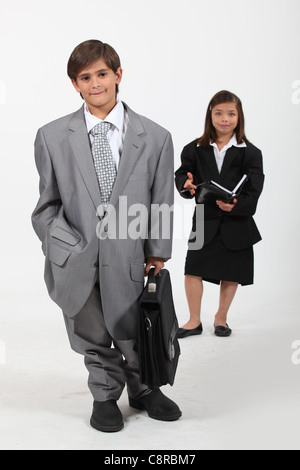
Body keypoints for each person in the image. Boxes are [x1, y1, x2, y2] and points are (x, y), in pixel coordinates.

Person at [32, 39, 181, 432]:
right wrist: (64, 247)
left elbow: (161, 201)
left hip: (130, 255)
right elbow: (46, 207)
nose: (95, 83)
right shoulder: (51, 137)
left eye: (102, 73)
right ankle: (104, 394)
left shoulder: (155, 137)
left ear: (118, 75)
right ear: (74, 84)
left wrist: (158, 253)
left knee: (133, 327)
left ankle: (145, 388)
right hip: (75, 257)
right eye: (86, 77)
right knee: (92, 333)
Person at [175, 90, 264, 338]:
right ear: (210, 115)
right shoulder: (194, 148)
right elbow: (183, 174)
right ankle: (194, 320)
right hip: (205, 220)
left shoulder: (251, 153)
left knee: (232, 271)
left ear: (239, 116)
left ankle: (221, 318)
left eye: (231, 114)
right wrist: (186, 184)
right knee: (192, 269)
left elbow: (255, 191)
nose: (225, 119)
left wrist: (237, 206)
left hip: (237, 222)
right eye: (219, 113)